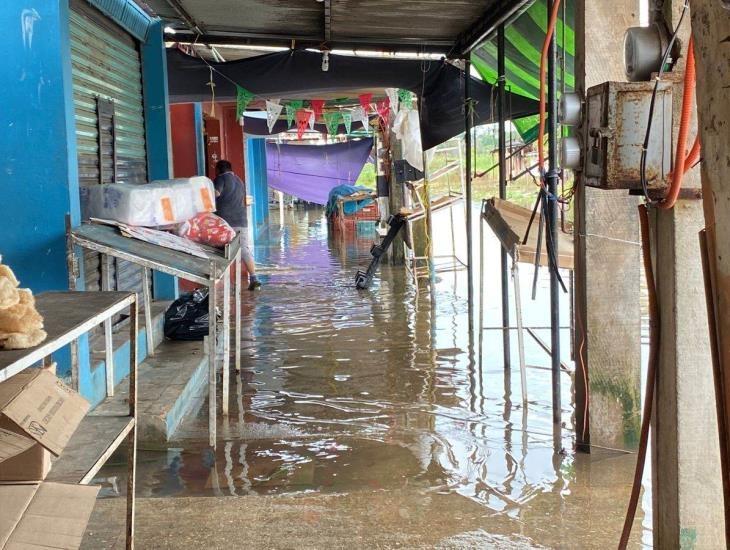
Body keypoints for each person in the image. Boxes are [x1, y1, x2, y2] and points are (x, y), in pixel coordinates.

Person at [213, 160, 261, 290]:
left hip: (225, 223)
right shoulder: (239, 181)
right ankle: (254, 278)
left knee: (219, 250)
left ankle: (219, 281)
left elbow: (216, 194)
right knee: (244, 249)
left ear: (218, 170)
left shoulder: (220, 179)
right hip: (242, 221)